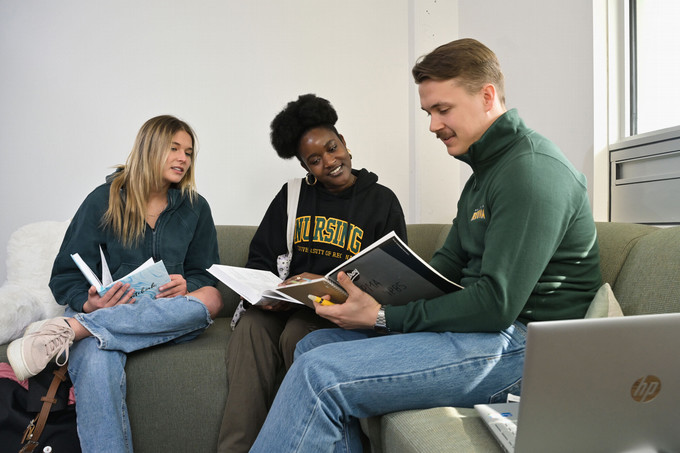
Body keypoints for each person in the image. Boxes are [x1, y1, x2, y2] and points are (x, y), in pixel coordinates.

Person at [249, 38, 603, 452]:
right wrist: (366, 294)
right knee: (313, 344)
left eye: (443, 109)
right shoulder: (482, 177)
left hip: (527, 347)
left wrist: (381, 317)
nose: (433, 125)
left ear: (487, 96)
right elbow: (445, 266)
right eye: (429, 112)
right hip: (486, 333)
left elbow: (496, 305)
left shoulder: (531, 171)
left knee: (319, 374)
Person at [7, 115, 223, 452]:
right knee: (94, 359)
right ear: (150, 149)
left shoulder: (196, 208)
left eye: (189, 152)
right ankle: (90, 325)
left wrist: (188, 284)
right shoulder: (103, 199)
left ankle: (75, 329)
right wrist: (89, 302)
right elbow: (65, 275)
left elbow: (207, 275)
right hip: (115, 311)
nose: (184, 158)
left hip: (168, 313)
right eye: (174, 149)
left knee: (210, 298)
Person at [217, 94, 407, 452]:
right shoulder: (292, 196)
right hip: (287, 303)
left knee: (298, 337)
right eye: (315, 160)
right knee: (251, 329)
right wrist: (266, 292)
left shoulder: (382, 201)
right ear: (307, 166)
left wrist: (329, 289)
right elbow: (260, 257)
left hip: (333, 313)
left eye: (332, 149)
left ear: (344, 143)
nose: (329, 162)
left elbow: (394, 275)